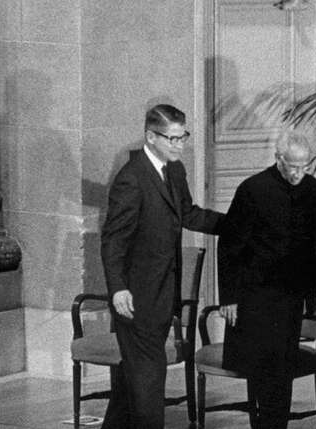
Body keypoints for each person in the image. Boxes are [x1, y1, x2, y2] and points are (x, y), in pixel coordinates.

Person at [100, 104, 224, 428]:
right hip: (136, 300)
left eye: (183, 137)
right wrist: (118, 288)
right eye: (173, 139)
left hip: (161, 297)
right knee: (148, 390)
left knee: (133, 385)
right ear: (150, 137)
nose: (180, 146)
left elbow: (189, 214)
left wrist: (237, 223)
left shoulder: (174, 170)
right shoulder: (131, 179)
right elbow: (113, 240)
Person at [217, 137, 316, 429]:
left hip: (290, 297)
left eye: (304, 166)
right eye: (293, 167)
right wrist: (229, 298)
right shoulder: (252, 189)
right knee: (266, 372)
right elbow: (229, 245)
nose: (299, 174)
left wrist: (310, 297)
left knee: (283, 371)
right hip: (256, 298)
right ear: (278, 158)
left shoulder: (311, 188)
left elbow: (311, 242)